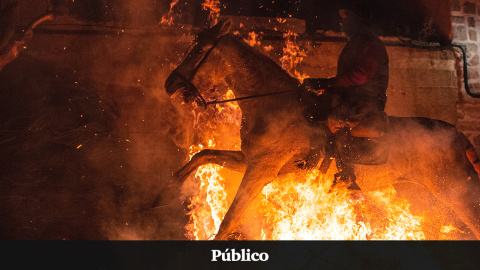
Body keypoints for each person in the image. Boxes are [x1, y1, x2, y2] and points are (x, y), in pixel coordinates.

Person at [302, 8, 389, 138]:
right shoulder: (358, 42)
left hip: (364, 102)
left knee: (317, 115)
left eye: (346, 18)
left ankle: (324, 152)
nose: (342, 23)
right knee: (312, 108)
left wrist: (329, 83)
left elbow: (361, 75)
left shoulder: (370, 43)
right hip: (352, 98)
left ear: (358, 20)